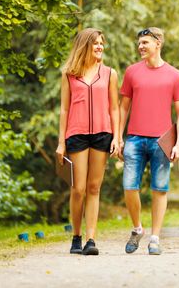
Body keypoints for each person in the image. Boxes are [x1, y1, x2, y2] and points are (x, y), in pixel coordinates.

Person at [119, 27, 179, 255]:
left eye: (145, 42)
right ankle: (138, 228)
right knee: (130, 186)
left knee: (159, 189)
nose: (140, 46)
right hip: (135, 139)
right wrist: (118, 137)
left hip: (162, 140)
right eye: (139, 43)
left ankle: (155, 238)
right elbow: (124, 107)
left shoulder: (175, 75)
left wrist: (178, 144)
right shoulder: (131, 72)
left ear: (158, 43)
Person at [56, 28, 119, 255]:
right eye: (96, 43)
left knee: (94, 187)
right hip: (76, 133)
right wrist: (61, 142)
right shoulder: (69, 73)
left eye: (102, 43)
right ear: (85, 45)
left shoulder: (110, 73)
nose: (100, 46)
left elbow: (114, 107)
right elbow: (64, 109)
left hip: (102, 133)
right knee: (78, 189)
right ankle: (76, 236)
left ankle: (91, 239)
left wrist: (117, 137)